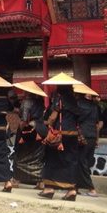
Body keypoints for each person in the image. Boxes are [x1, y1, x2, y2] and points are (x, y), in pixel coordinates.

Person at [38, 72, 82, 201]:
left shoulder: (59, 98)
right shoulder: (74, 99)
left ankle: (49, 188)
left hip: (60, 134)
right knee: (70, 161)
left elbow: (53, 117)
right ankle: (71, 190)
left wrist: (48, 123)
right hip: (72, 133)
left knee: (52, 159)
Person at [12, 81, 47, 187]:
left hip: (29, 130)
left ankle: (16, 180)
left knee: (21, 154)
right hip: (40, 129)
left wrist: (21, 131)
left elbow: (24, 119)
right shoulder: (40, 102)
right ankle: (40, 181)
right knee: (37, 156)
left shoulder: (26, 102)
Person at [74, 83, 102, 197]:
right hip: (92, 135)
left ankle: (91, 188)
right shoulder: (95, 106)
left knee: (81, 161)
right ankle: (75, 186)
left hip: (82, 135)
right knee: (84, 161)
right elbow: (97, 124)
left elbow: (76, 120)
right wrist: (97, 138)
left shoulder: (77, 105)